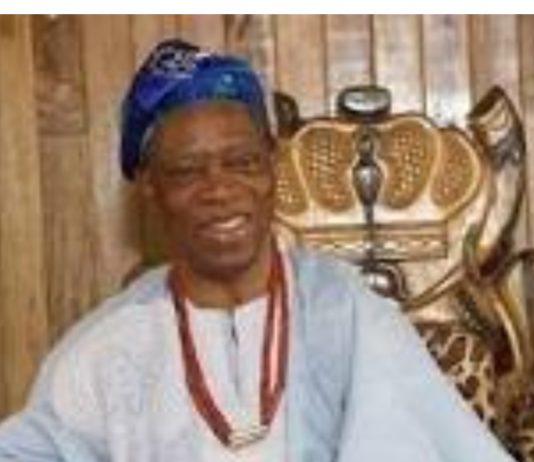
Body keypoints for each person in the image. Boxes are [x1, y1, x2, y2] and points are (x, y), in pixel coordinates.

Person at [0, 39, 518, 462]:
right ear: (150, 187)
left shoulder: (345, 312)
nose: (219, 189)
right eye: (187, 171)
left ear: (272, 166)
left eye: (242, 162)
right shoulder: (105, 350)